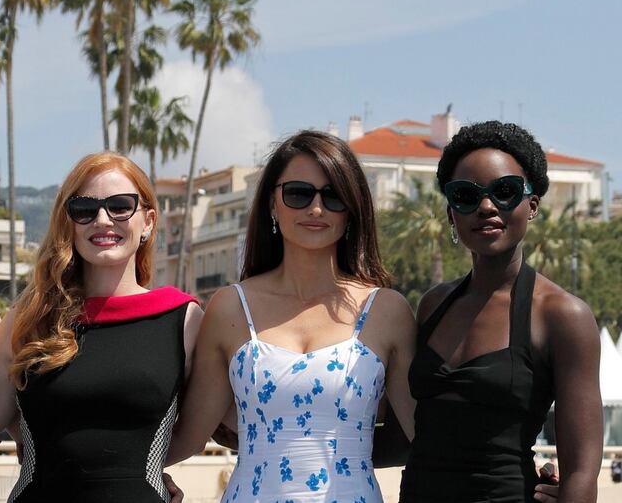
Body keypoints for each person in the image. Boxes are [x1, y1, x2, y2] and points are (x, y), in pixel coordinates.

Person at [166, 130, 417, 502]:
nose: (316, 209)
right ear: (272, 203)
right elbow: (188, 436)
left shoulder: (387, 311)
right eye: (298, 194)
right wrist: (131, 475)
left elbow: (427, 436)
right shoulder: (230, 308)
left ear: (351, 210)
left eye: (333, 196)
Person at [0, 151, 201, 502]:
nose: (103, 220)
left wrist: (141, 472)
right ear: (69, 222)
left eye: (120, 205)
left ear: (149, 221)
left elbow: (197, 433)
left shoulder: (184, 319)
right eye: (84, 209)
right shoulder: (28, 319)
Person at [401, 121, 602, 503]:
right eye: (466, 195)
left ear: (533, 206)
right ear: (450, 214)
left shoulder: (562, 316)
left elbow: (581, 472)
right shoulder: (433, 305)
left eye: (505, 191)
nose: (487, 207)